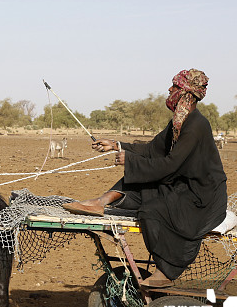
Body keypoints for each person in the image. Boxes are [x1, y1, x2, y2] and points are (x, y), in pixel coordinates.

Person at [63, 69, 227, 288]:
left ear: (187, 93)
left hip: (202, 197)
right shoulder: (178, 123)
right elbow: (153, 149)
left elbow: (170, 165)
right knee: (144, 183)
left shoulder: (196, 125)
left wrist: (130, 161)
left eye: (175, 87)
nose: (170, 90)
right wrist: (116, 145)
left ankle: (167, 271)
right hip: (182, 185)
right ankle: (100, 203)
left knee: (152, 208)